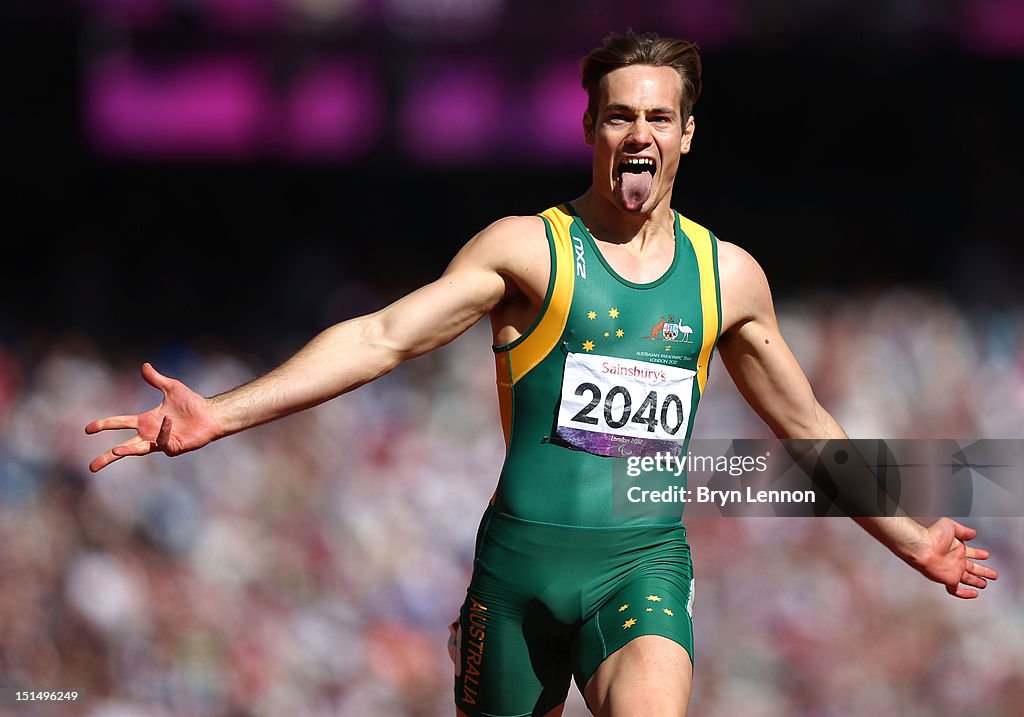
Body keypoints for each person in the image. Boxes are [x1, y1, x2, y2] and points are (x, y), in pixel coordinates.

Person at [86, 30, 997, 717]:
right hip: (516, 578)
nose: (638, 133)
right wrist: (223, 414)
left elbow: (808, 429)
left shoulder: (728, 277)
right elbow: (385, 335)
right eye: (619, 114)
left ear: (687, 134)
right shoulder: (530, 250)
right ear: (593, 128)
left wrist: (913, 539)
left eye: (657, 117)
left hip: (640, 566)